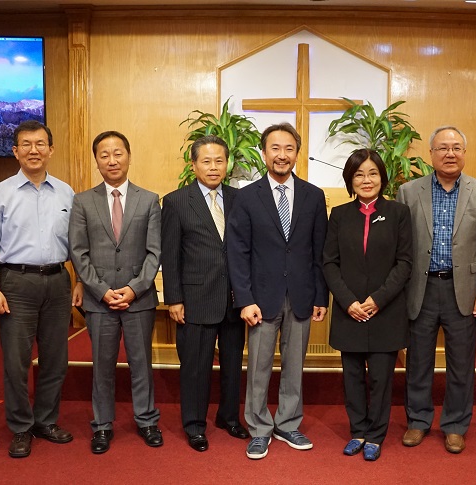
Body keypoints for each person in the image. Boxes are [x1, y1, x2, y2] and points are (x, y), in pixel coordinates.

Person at [0, 120, 82, 458]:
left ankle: (46, 421)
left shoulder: (66, 192)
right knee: (16, 361)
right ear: (15, 151)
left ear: (51, 150)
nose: (33, 150)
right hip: (16, 282)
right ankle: (21, 427)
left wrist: (80, 280)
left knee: (56, 359)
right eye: (26, 144)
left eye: (40, 144)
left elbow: (78, 244)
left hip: (58, 281)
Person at [227, 122, 328, 460]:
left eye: (289, 149)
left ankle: (287, 423)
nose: (282, 155)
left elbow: (319, 251)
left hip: (301, 294)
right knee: (258, 367)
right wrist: (244, 299)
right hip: (260, 298)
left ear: (297, 153)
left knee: (294, 365)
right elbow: (237, 252)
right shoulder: (246, 197)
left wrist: (320, 296)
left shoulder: (314, 196)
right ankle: (259, 428)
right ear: (264, 152)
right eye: (275, 148)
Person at [397, 125, 476, 454]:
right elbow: (400, 247)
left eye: (456, 148)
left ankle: (455, 425)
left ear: (464, 153)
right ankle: (418, 420)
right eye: (443, 148)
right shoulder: (408, 192)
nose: (450, 153)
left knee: (461, 364)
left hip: (464, 291)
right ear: (431, 154)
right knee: (418, 361)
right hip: (421, 289)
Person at [69, 131, 162, 454]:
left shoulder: (149, 200)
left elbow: (155, 252)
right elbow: (78, 252)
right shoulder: (82, 201)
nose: (112, 160)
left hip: (139, 299)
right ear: (97, 160)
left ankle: (147, 420)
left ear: (129, 156)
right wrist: (101, 290)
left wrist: (134, 289)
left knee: (141, 363)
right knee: (102, 365)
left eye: (118, 153)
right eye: (104, 155)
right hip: (99, 301)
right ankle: (102, 425)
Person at [323, 149, 412, 461]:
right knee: (352, 377)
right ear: (350, 180)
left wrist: (377, 299)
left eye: (372, 173)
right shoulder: (339, 215)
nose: (366, 180)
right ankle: (358, 431)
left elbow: (405, 263)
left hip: (385, 310)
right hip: (349, 311)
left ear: (382, 178)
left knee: (380, 378)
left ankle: (375, 435)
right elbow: (329, 263)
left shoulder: (399, 213)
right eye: (359, 174)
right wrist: (348, 301)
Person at [161, 135, 249, 452]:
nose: (213, 167)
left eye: (219, 161)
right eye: (206, 161)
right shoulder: (176, 202)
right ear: (194, 164)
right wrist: (174, 299)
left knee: (232, 365)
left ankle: (229, 417)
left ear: (227, 164)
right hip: (196, 299)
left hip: (234, 299)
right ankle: (195, 425)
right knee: (195, 368)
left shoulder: (240, 199)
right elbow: (170, 255)